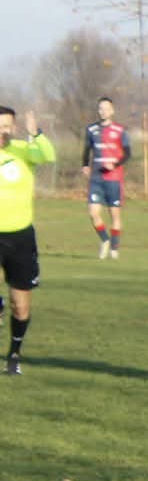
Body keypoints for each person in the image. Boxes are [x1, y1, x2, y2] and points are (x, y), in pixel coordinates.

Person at [0, 106, 57, 375]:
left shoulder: (24, 150)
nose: (2, 130)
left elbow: (48, 155)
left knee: (20, 305)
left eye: (7, 125)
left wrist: (36, 134)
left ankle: (14, 354)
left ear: (14, 127)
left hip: (21, 237)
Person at [82, 96, 129, 259]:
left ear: (112, 111)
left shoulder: (120, 130)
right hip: (96, 178)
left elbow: (127, 153)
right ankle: (105, 240)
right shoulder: (91, 129)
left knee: (114, 216)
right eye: (101, 108)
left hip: (114, 179)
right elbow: (87, 149)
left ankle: (114, 248)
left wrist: (114, 165)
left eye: (106, 108)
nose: (103, 111)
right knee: (93, 213)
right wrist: (85, 165)